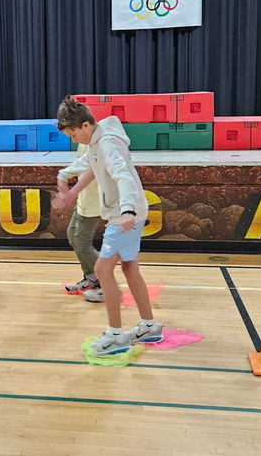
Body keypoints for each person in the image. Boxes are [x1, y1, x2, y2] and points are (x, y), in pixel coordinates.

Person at [54, 97, 164, 356]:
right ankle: (149, 326)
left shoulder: (107, 143)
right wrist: (64, 173)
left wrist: (126, 210)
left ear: (84, 125)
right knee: (129, 268)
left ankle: (116, 335)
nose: (73, 139)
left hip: (124, 214)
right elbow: (89, 164)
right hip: (128, 212)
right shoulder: (96, 141)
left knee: (103, 269)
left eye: (73, 134)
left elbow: (122, 174)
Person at [53, 143, 103, 298]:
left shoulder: (99, 142)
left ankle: (108, 284)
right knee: (73, 235)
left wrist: (71, 193)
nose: (71, 138)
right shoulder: (83, 142)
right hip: (84, 198)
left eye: (72, 133)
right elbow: (80, 165)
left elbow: (93, 171)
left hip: (95, 201)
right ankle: (91, 278)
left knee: (81, 241)